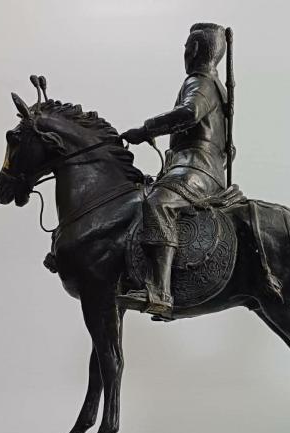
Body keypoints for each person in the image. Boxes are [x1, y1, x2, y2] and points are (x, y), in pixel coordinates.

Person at [118, 22, 231, 317]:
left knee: (158, 203)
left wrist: (147, 129)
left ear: (194, 49)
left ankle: (160, 291)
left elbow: (190, 112)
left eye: (186, 47)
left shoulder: (200, 81)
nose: (184, 53)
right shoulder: (218, 87)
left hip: (197, 169)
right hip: (200, 166)